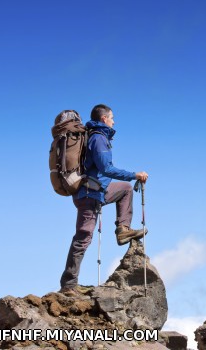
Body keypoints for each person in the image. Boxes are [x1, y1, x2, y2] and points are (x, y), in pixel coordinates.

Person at [59, 104, 148, 297]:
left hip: (96, 191)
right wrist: (134, 175)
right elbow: (106, 168)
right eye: (112, 117)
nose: (114, 121)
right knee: (83, 237)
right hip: (89, 194)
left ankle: (123, 231)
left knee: (124, 190)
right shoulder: (99, 138)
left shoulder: (96, 136)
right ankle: (68, 284)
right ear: (104, 119)